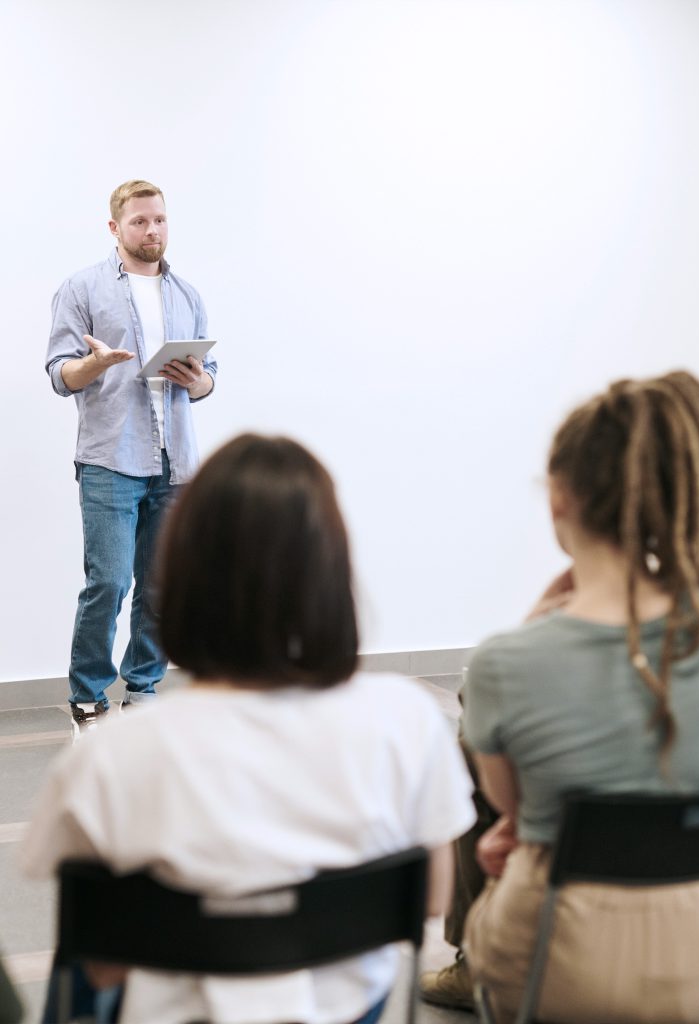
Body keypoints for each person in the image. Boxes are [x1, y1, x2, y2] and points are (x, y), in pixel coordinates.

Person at [22, 434, 475, 1024]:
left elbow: (103, 964)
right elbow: (434, 898)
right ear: (331, 570)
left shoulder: (110, 752)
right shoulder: (405, 722)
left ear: (183, 573)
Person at [457, 371, 699, 1024]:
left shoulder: (506, 662)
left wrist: (534, 625)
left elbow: (515, 813)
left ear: (560, 499)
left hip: (554, 966)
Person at [45, 180, 218, 737]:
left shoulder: (187, 295)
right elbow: (59, 374)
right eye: (141, 221)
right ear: (116, 228)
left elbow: (209, 380)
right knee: (109, 582)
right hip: (110, 461)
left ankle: (142, 691)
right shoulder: (82, 289)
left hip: (176, 464)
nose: (153, 231)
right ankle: (87, 699)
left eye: (160, 220)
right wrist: (93, 366)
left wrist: (198, 382)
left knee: (161, 585)